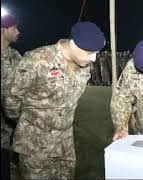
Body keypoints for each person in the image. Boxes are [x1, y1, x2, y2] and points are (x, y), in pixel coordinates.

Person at [3, 21, 105, 179]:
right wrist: (28, 122)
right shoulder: (37, 60)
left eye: (96, 53)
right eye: (90, 52)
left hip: (65, 145)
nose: (93, 58)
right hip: (35, 148)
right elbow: (10, 97)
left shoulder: (84, 65)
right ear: (73, 44)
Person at [1, 14, 22, 180]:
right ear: (3, 30)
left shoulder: (15, 55)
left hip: (14, 124)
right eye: (14, 28)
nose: (18, 31)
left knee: (14, 166)